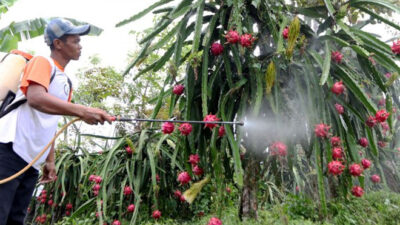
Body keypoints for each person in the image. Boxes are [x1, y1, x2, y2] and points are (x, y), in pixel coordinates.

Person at [0, 18, 113, 225]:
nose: (80, 46)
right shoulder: (43, 62)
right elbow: (35, 98)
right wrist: (83, 110)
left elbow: (51, 120)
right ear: (58, 44)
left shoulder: (65, 82)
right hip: (9, 150)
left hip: (31, 161)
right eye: (75, 41)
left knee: (15, 219)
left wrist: (50, 160)